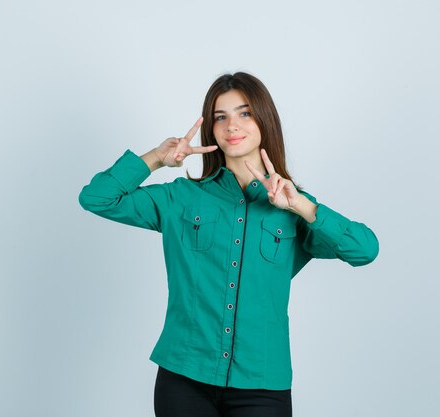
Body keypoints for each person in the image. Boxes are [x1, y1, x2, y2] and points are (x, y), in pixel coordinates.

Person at [79, 72, 379, 417]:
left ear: (264, 121)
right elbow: (97, 198)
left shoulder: (295, 208)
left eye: (244, 113)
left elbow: (365, 250)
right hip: (184, 378)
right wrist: (156, 158)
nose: (232, 126)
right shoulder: (181, 198)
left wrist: (301, 206)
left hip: (262, 384)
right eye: (221, 117)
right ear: (212, 129)